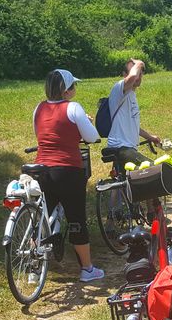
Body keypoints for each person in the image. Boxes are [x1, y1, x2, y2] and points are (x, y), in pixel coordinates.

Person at [33, 69, 105, 282]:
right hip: (67, 170)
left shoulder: (39, 108)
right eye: (73, 85)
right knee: (76, 218)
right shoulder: (73, 108)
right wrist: (86, 122)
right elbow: (92, 137)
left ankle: (34, 268)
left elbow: (41, 135)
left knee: (41, 218)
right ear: (66, 90)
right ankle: (87, 269)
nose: (75, 89)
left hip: (42, 169)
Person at [105, 58, 162, 169]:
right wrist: (140, 63)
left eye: (140, 74)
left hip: (128, 149)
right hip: (121, 148)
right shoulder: (118, 89)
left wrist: (150, 137)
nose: (137, 77)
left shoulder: (131, 95)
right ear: (124, 74)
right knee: (157, 170)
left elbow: (133, 126)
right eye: (135, 72)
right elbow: (132, 77)